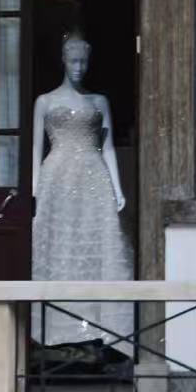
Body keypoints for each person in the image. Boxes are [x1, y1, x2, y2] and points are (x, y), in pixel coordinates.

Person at [30, 27, 133, 349]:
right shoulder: (45, 101)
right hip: (57, 177)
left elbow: (109, 147)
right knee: (59, 246)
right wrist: (35, 185)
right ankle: (54, 331)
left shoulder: (99, 101)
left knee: (96, 244)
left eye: (83, 62)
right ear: (63, 60)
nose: (78, 68)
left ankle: (101, 330)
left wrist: (118, 188)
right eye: (73, 61)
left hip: (93, 176)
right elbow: (36, 148)